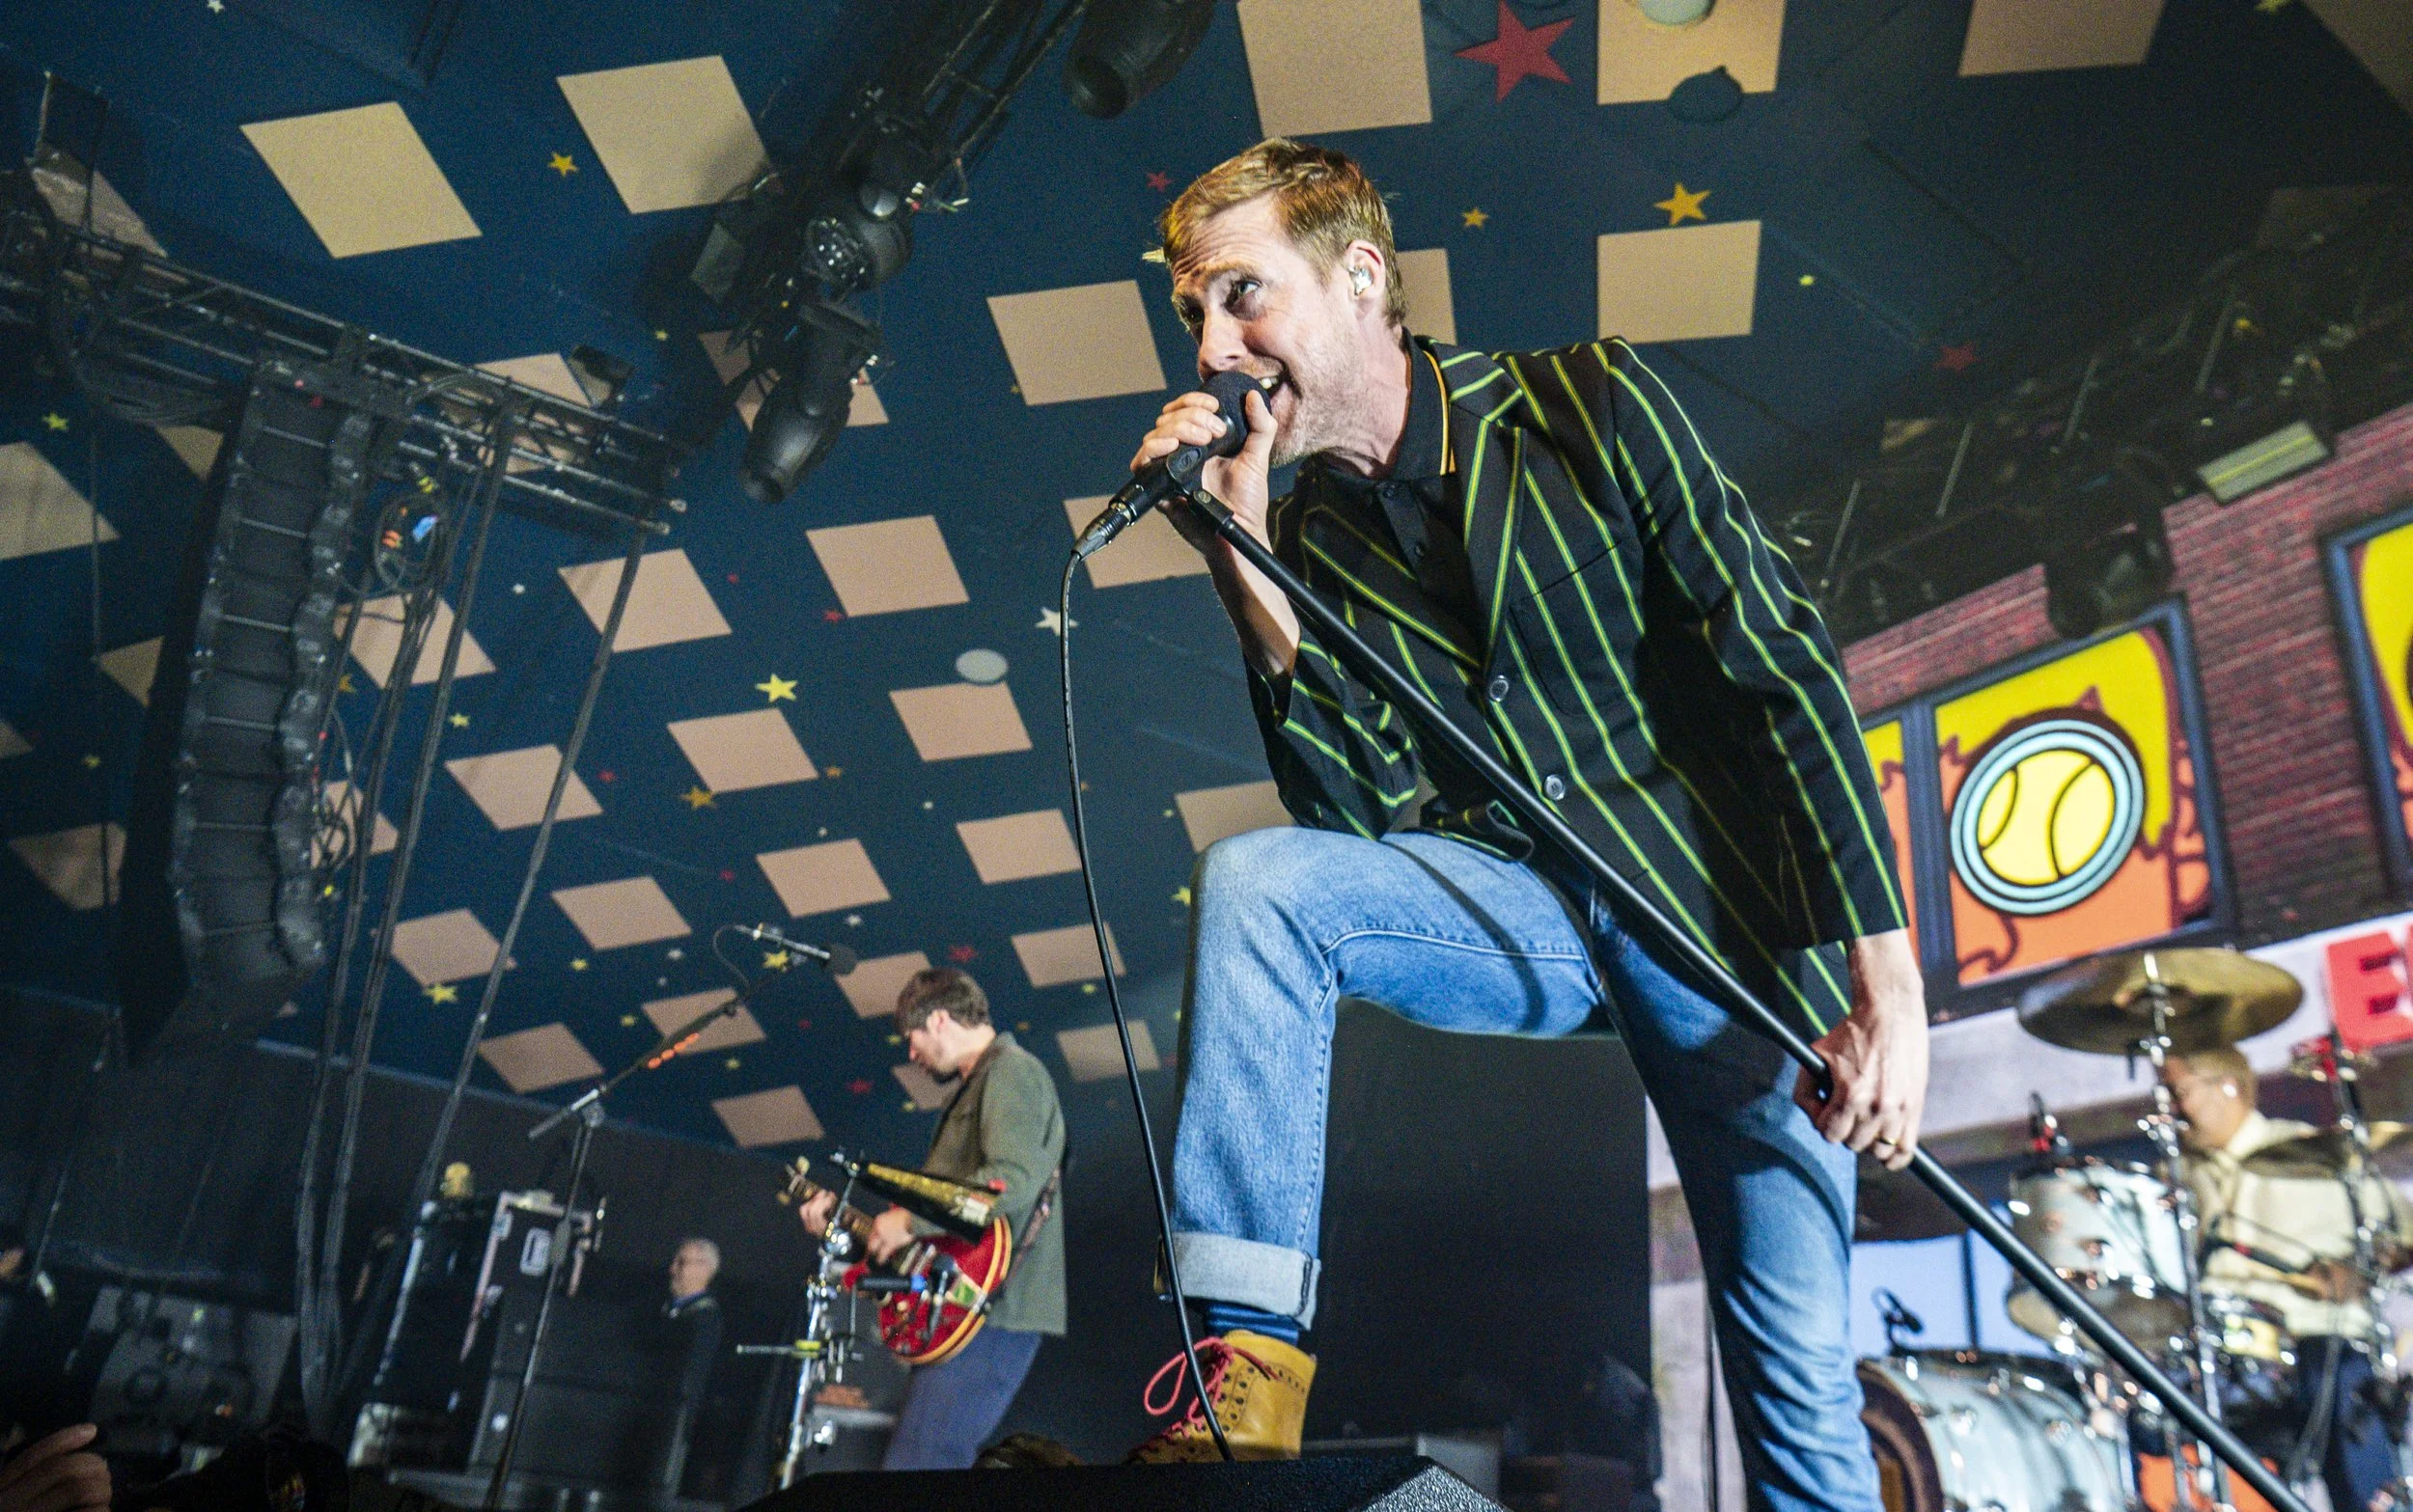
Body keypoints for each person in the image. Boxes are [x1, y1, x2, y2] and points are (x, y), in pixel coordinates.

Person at [1120, 140, 1927, 1507]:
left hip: (1723, 929)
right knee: (1260, 882)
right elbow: (1358, 816)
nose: (1212, 347)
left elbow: (1779, 667)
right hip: (1529, 912)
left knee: (1797, 1395)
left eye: (1241, 294)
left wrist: (1886, 983)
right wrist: (1242, 560)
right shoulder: (1309, 537)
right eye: (1195, 310)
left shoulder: (1586, 399)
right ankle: (1240, 1381)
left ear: (1359, 275)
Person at [797, 969, 1066, 1471]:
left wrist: (909, 1223)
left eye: (912, 1036)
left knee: (922, 1464)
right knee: (921, 1461)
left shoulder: (1012, 1072)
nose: (911, 1053)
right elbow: (943, 1230)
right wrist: (845, 1232)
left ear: (940, 1020)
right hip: (962, 1304)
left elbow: (1009, 1182)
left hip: (989, 1307)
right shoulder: (977, 1085)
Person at [2163, 1048, 2413, 1510]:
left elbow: (2403, 1237)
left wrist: (2357, 1273)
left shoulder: (2316, 1154)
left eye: (2179, 1093)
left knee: (2336, 1391)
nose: (2170, 1108)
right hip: (2218, 1347)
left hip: (2312, 1339)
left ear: (2228, 1087)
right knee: (2144, 1411)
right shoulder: (2177, 1174)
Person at [648, 1238, 724, 1506]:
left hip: (676, 1422)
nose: (673, 1269)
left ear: (704, 1269)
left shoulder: (705, 1320)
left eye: (681, 1263)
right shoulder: (662, 1308)